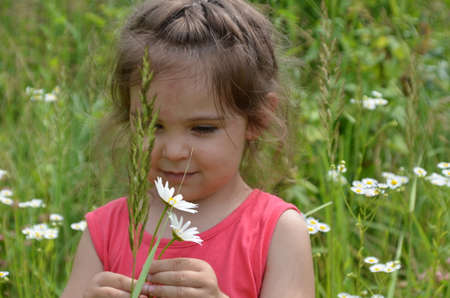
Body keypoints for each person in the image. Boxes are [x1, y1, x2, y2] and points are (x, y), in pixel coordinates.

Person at [62, 0, 314, 297]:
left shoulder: (277, 232)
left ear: (258, 118)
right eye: (152, 125)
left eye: (202, 128)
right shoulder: (105, 230)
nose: (174, 151)